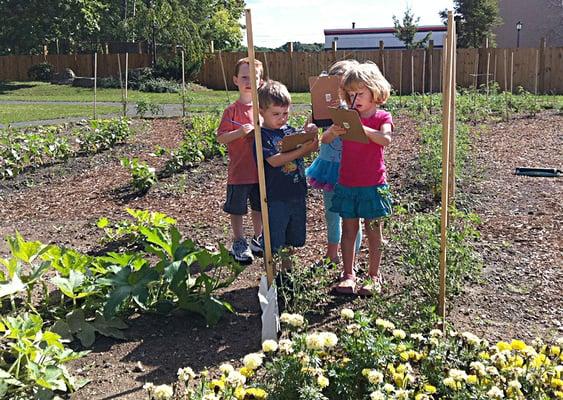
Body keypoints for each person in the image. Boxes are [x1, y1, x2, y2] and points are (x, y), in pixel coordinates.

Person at [329, 62, 394, 296]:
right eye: (350, 93)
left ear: (375, 91)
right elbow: (325, 139)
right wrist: (332, 132)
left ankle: (374, 276)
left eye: (360, 93)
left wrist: (362, 128)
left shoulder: (381, 116)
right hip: (348, 182)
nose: (354, 98)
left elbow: (385, 139)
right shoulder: (347, 116)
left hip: (373, 184)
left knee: (374, 232)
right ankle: (348, 275)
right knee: (348, 231)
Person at [256, 79, 319, 267]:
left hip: (296, 192)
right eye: (276, 114)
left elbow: (308, 145)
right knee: (275, 238)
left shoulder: (289, 131)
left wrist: (310, 133)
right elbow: (274, 160)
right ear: (261, 111)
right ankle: (272, 274)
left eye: (285, 113)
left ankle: (287, 274)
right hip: (275, 196)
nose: (282, 118)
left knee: (292, 238)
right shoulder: (262, 136)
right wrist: (303, 150)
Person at [306, 60, 362, 264]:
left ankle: (352, 258)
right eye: (336, 83)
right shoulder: (323, 105)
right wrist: (315, 129)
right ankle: (332, 254)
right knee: (331, 213)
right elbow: (312, 129)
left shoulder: (358, 106)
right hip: (329, 167)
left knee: (353, 215)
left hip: (352, 168)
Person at [217, 57, 264, 263]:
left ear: (261, 82)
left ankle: (258, 237)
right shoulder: (231, 110)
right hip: (239, 171)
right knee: (236, 208)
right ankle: (238, 240)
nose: (249, 81)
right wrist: (239, 132)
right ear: (236, 80)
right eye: (245, 77)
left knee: (259, 206)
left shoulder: (262, 109)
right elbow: (221, 138)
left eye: (254, 78)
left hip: (261, 170)